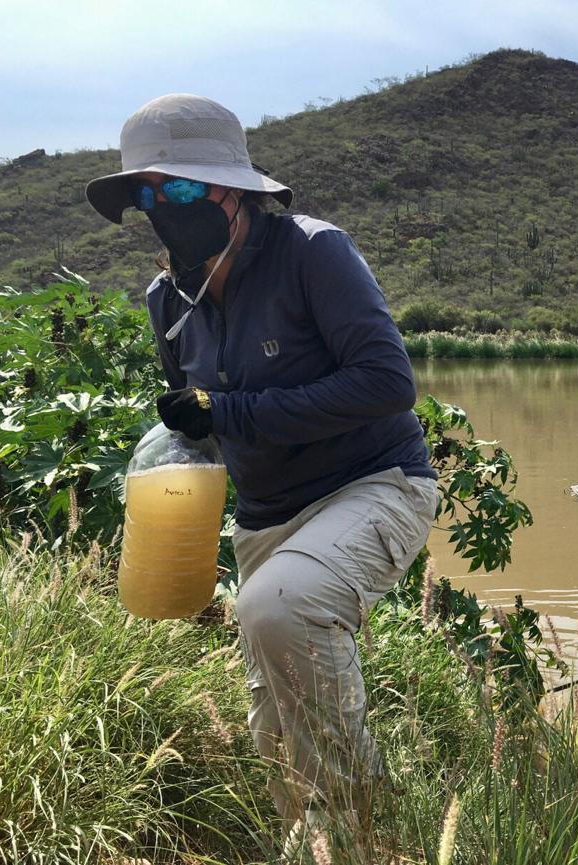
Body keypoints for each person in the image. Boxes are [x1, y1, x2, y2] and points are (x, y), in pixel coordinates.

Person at [85, 94, 439, 850]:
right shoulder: (165, 299)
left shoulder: (313, 252)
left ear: (231, 189)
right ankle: (311, 839)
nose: (161, 206)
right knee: (270, 721)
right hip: (266, 515)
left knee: (282, 607)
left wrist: (232, 409)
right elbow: (210, 428)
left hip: (374, 482)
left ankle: (363, 834)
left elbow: (387, 382)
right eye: (146, 193)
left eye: (178, 187)